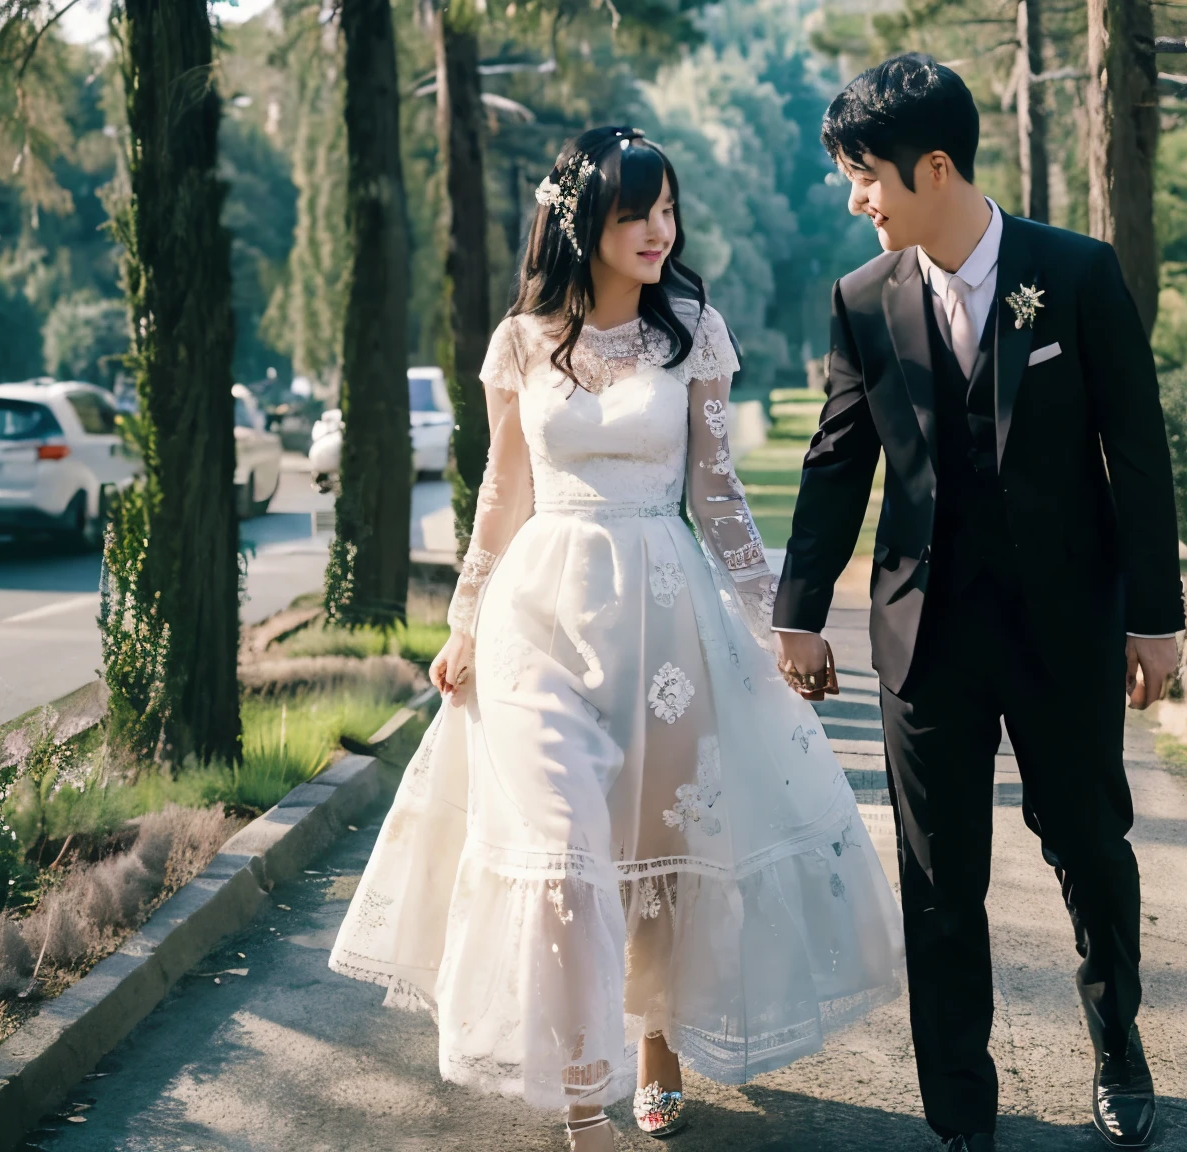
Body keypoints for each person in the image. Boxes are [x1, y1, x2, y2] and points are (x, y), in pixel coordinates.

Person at [329, 126, 903, 1152]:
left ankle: (656, 1042)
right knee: (563, 854)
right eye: (634, 212)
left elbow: (719, 492)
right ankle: (583, 1103)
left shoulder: (692, 331)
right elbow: (503, 493)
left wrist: (778, 619)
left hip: (665, 618)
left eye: (666, 211)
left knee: (659, 854)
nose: (655, 231)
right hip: (537, 621)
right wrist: (464, 622)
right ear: (579, 219)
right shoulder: (521, 342)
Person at [772, 55, 1185, 1150]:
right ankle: (960, 1105)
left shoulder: (1078, 275)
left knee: (1091, 848)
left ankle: (1119, 1045)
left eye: (867, 177)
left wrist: (1156, 617)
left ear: (936, 166)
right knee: (938, 879)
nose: (857, 199)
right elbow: (835, 460)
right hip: (924, 636)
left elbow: (1137, 457)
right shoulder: (862, 301)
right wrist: (800, 610)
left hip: (1064, 629)